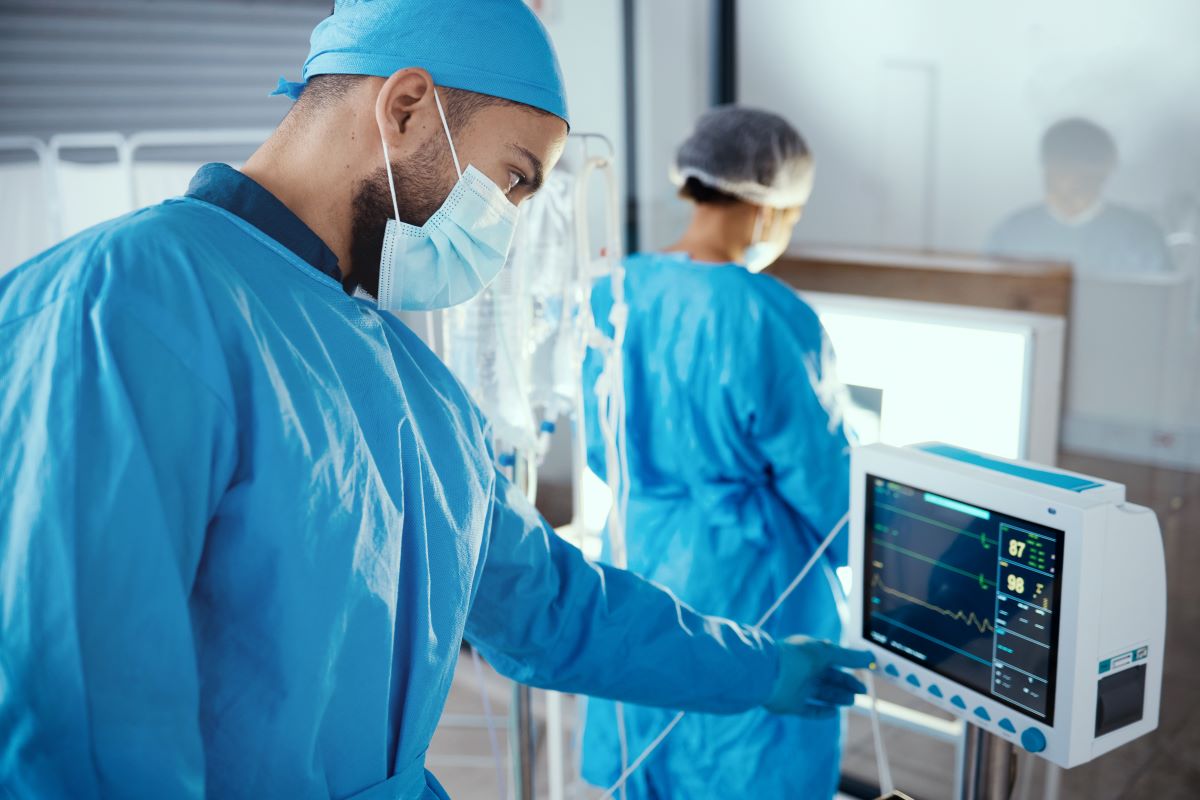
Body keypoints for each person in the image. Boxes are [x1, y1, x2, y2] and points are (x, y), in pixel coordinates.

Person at [0, 2, 875, 798]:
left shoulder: (415, 387)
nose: (513, 222)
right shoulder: (127, 303)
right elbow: (78, 720)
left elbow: (547, 607)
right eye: (515, 179)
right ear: (406, 106)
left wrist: (759, 671)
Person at [580, 106, 855, 798]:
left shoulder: (615, 291)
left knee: (652, 731)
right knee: (747, 746)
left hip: (640, 551)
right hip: (753, 576)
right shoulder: (767, 313)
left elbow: (600, 445)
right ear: (770, 206)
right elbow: (829, 487)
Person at [987, 117, 1173, 276]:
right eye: (1060, 163)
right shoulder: (1012, 232)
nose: (1068, 177)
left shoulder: (1140, 234)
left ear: (1106, 167)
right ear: (1046, 164)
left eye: (1080, 165)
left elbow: (1161, 307)